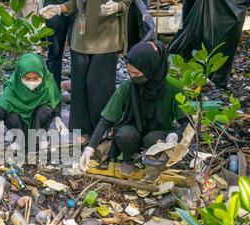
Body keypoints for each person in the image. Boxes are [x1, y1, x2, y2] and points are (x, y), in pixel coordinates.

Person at [79, 41, 190, 175]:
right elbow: (106, 119)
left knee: (153, 139)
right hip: (131, 131)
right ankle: (128, 158)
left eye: (137, 74)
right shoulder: (128, 86)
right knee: (125, 135)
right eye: (129, 73)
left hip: (159, 133)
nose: (133, 77)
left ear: (152, 69)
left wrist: (175, 135)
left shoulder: (172, 88)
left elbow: (187, 122)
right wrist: (90, 147)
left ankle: (150, 159)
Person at [40, 0, 132, 144]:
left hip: (105, 39)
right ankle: (82, 130)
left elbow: (126, 2)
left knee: (99, 87)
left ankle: (102, 130)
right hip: (80, 39)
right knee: (79, 87)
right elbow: (76, 3)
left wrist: (118, 6)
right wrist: (60, 8)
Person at [0, 53, 68, 161]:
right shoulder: (13, 86)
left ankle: (39, 139)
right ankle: (18, 140)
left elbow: (54, 100)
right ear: (20, 75)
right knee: (11, 115)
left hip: (38, 123)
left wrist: (57, 118)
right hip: (19, 124)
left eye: (36, 78)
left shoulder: (48, 80)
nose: (32, 82)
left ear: (42, 74)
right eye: (27, 78)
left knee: (45, 110)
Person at [43, 0, 76, 87]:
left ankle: (78, 95)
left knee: (77, 51)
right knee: (54, 51)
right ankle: (53, 93)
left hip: (78, 6)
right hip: (54, 3)